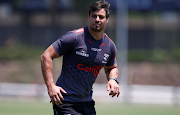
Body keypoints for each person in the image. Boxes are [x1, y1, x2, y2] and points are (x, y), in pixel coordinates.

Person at [41, 1, 120, 115]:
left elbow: (112, 67)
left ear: (107, 19)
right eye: (94, 16)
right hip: (65, 101)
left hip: (86, 103)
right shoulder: (74, 37)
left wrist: (113, 79)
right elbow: (46, 56)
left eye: (101, 17)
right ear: (89, 17)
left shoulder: (109, 46)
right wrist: (51, 86)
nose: (97, 19)